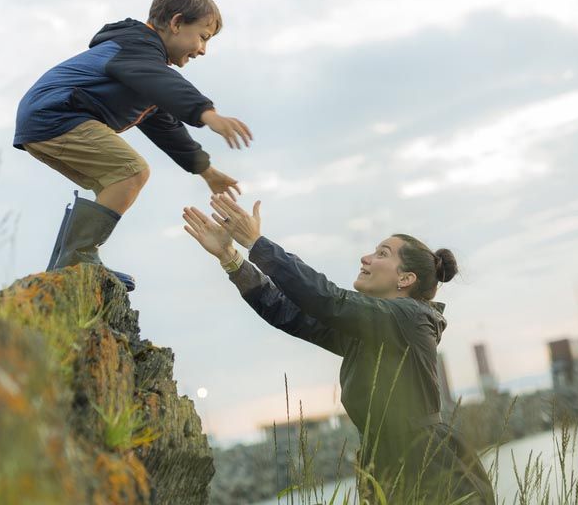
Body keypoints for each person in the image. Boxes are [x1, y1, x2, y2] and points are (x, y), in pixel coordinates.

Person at [182, 194, 495, 504]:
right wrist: (230, 258)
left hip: (436, 477)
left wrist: (257, 244)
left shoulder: (411, 319)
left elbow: (327, 299)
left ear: (405, 279)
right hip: (390, 473)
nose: (366, 258)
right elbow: (289, 313)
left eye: (382, 253)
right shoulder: (372, 329)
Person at [14, 0, 252, 291]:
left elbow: (166, 126)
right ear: (177, 23)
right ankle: (76, 262)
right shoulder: (138, 48)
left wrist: (206, 171)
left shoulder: (141, 65)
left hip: (45, 119)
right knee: (131, 172)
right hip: (57, 113)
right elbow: (161, 81)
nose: (203, 50)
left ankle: (64, 269)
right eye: (203, 37)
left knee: (112, 183)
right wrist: (207, 113)